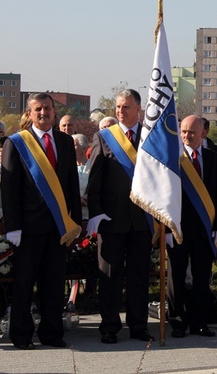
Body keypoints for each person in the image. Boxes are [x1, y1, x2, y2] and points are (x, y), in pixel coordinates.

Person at [1, 92, 82, 349]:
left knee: (54, 283)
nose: (43, 113)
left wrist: (75, 223)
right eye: (38, 109)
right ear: (30, 113)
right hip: (27, 228)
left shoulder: (65, 142)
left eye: (47, 108)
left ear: (54, 112)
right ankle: (22, 335)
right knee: (25, 284)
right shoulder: (16, 143)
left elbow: (71, 185)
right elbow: (9, 189)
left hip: (58, 227)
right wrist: (13, 226)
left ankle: (51, 333)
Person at [86, 89, 155, 344]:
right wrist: (96, 214)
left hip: (142, 221)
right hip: (112, 220)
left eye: (126, 107)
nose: (120, 111)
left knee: (138, 276)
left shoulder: (150, 138)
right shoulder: (104, 137)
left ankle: (138, 326)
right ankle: (109, 327)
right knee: (110, 276)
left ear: (139, 109)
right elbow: (94, 181)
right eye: (117, 107)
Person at [167, 115, 217, 338]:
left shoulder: (214, 158)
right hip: (178, 229)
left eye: (191, 132)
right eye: (183, 131)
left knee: (202, 278)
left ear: (203, 133)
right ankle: (177, 322)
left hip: (204, 228)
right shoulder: (172, 158)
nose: (186, 136)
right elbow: (164, 195)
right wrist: (166, 228)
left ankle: (199, 322)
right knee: (177, 278)